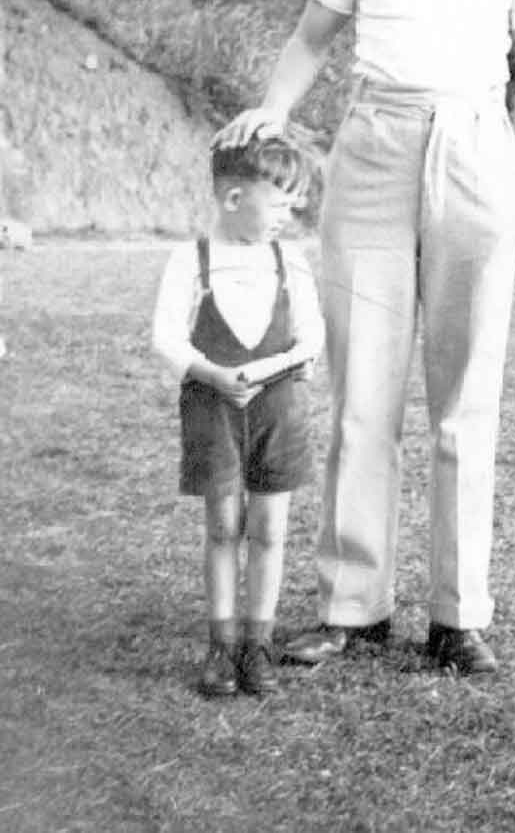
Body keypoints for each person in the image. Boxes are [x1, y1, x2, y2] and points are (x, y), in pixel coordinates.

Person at [215, 0, 515, 675]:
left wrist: (513, 165)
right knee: (365, 393)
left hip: (479, 150)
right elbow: (311, 37)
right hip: (374, 151)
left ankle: (459, 618)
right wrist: (274, 110)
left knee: (465, 398)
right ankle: (353, 608)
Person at [152, 134, 324, 697]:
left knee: (270, 529)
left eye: (292, 204)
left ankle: (258, 645)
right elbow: (167, 339)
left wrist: (265, 370)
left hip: (278, 407)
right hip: (212, 407)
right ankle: (221, 648)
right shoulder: (192, 258)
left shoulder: (288, 259)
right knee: (223, 527)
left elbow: (311, 338)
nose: (288, 215)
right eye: (277, 204)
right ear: (232, 199)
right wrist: (215, 375)